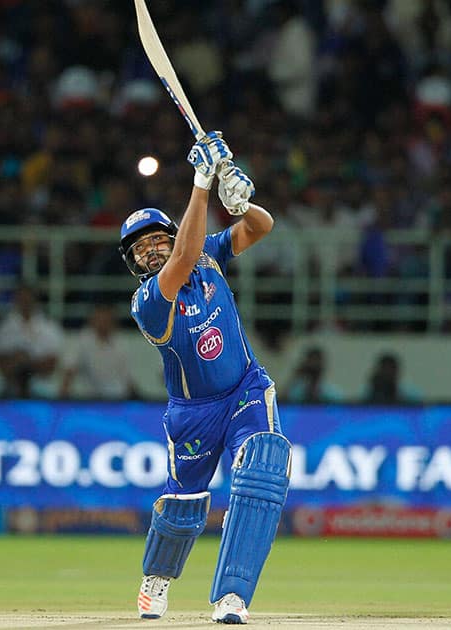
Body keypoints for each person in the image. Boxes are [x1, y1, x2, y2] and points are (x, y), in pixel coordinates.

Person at [120, 132, 290, 624]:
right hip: (193, 413)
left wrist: (240, 201)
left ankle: (232, 595)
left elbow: (261, 228)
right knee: (183, 507)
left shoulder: (210, 255)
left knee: (264, 464)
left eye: (157, 238)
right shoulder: (149, 301)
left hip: (245, 390)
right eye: (140, 248)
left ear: (173, 236)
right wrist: (201, 183)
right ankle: (157, 576)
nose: (151, 250)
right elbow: (180, 260)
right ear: (134, 264)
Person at [0, 283, 64, 398]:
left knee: (48, 394)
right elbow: (0, 365)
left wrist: (26, 360)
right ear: (15, 300)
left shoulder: (49, 327)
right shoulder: (3, 327)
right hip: (11, 383)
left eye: (28, 298)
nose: (25, 302)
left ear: (35, 299)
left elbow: (51, 366)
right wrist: (19, 361)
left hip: (41, 384)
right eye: (21, 298)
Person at [59, 302, 140, 400]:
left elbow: (127, 378)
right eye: (100, 319)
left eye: (107, 319)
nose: (103, 323)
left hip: (117, 399)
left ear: (113, 321)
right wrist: (62, 399)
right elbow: (69, 370)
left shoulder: (121, 343)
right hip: (89, 399)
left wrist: (141, 400)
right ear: (92, 320)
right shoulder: (82, 341)